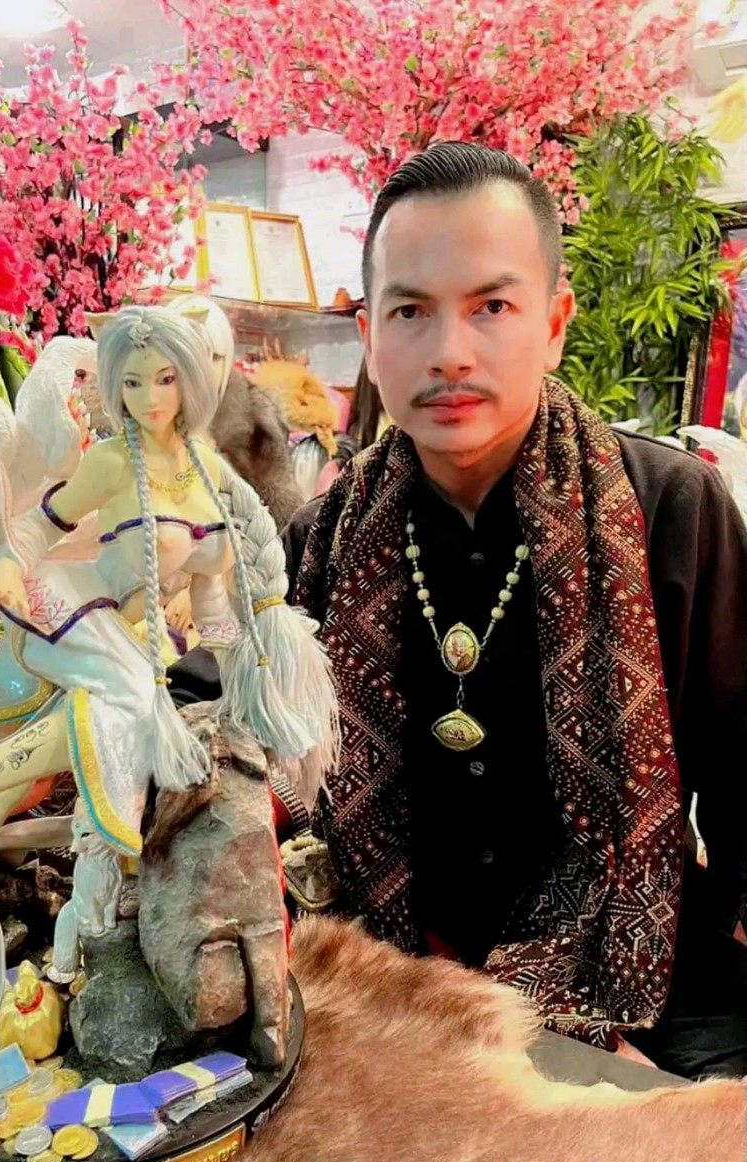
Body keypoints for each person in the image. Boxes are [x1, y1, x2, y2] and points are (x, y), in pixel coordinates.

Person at [180, 141, 747, 1079]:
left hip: (640, 972)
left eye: (492, 307)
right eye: (410, 311)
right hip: (391, 965)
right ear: (370, 335)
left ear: (554, 323)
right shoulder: (320, 540)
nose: (449, 353)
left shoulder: (671, 509)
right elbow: (222, 700)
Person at [0, 306, 337, 1021]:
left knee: (23, 781)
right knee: (131, 697)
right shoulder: (112, 461)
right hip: (59, 603)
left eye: (164, 379)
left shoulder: (210, 476)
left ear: (194, 380)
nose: (149, 398)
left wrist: (243, 681)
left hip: (124, 636)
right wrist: (7, 566)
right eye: (131, 383)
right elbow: (38, 527)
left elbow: (212, 600)